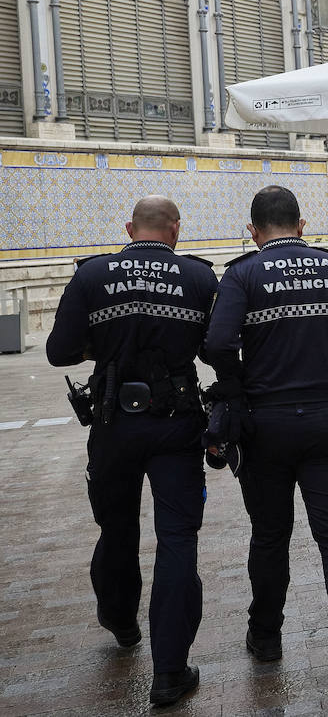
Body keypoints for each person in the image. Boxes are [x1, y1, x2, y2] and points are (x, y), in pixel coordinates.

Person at [204, 186, 328, 697]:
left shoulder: (242, 274)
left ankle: (266, 635)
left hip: (266, 425)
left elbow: (218, 342)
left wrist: (240, 383)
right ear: (302, 224)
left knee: (270, 534)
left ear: (253, 229)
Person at [46, 196, 218, 707]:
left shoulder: (92, 275)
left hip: (113, 421)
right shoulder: (199, 278)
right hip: (177, 422)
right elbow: (216, 348)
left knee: (117, 527)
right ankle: (169, 671)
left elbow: (58, 351)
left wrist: (103, 348)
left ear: (129, 228)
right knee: (178, 539)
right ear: (176, 231)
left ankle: (122, 623)